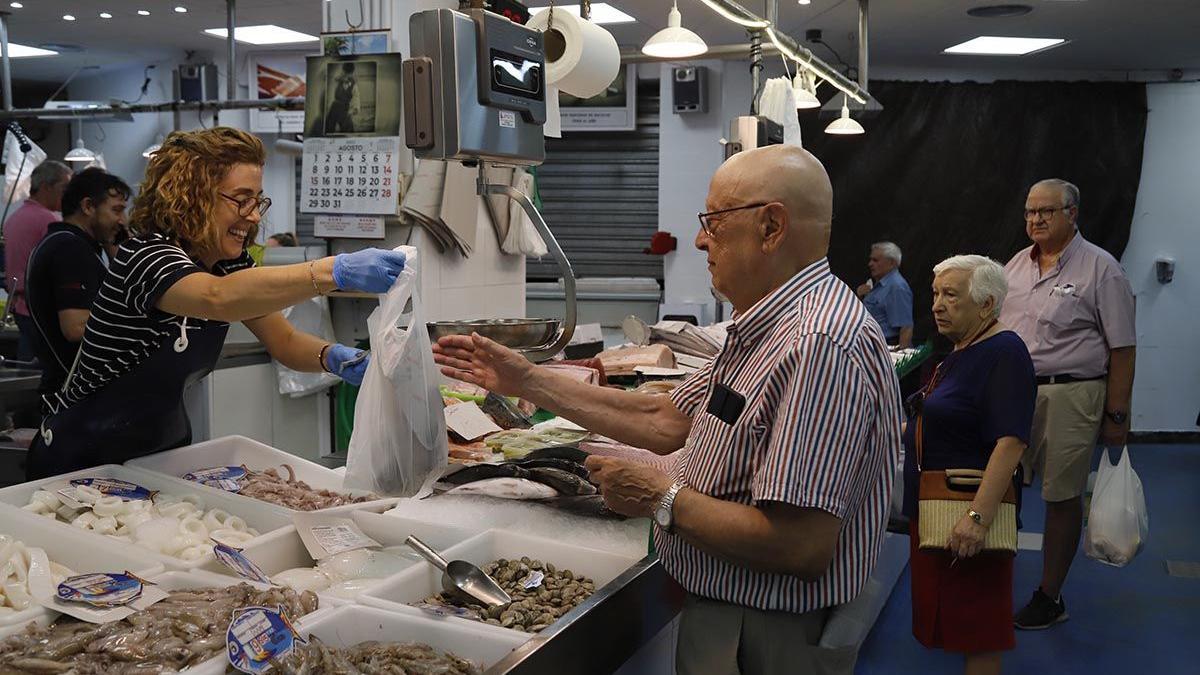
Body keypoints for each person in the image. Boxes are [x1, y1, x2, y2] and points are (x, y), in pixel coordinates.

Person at [434, 145, 901, 674]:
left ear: (771, 228)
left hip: (766, 632)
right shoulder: (763, 329)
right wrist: (527, 379)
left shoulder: (818, 344)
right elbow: (662, 422)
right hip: (734, 615)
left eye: (714, 222)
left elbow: (800, 543)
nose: (700, 239)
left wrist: (662, 498)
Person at [24, 127, 406, 479]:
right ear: (191, 195)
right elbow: (217, 298)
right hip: (79, 462)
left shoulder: (229, 263)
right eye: (241, 201)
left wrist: (338, 358)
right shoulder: (146, 256)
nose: (253, 215)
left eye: (257, 201)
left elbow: (285, 341)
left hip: (160, 455)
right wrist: (334, 271)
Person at [1000, 178, 1136, 630]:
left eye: (1046, 212)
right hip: (1018, 392)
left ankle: (1050, 596)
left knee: (1061, 497)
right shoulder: (1016, 265)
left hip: (1072, 394)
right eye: (1029, 212)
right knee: (1004, 488)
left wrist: (1117, 415)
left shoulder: (1102, 269)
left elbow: (1122, 348)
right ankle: (995, 577)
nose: (1034, 220)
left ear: (1072, 214)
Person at [902, 255, 1035, 675]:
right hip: (935, 507)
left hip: (964, 509)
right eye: (936, 294)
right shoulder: (961, 349)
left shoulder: (1004, 352)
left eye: (951, 296)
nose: (938, 305)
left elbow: (1011, 442)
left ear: (986, 304)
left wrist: (978, 517)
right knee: (959, 624)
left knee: (979, 633)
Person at [25, 168, 131, 403]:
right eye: (116, 210)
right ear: (88, 207)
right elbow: (76, 327)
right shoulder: (70, 249)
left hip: (71, 390)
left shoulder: (66, 243)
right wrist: (136, 324)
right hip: (74, 396)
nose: (122, 221)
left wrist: (117, 253)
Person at [3, 160, 71, 361]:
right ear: (45, 187)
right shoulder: (48, 221)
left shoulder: (15, 217)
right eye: (63, 188)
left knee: (26, 367)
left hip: (20, 306)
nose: (67, 195)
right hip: (39, 309)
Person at [856, 241, 914, 347]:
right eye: (870, 260)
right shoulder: (881, 285)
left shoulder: (897, 287)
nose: (870, 264)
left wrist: (900, 359)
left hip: (886, 347)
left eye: (875, 260)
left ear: (891, 263)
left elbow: (906, 327)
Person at [326, 62, 359, 134]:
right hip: (335, 105)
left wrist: (354, 109)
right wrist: (342, 78)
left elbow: (356, 97)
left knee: (348, 129)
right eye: (345, 73)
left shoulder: (353, 84)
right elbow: (335, 78)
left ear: (352, 73)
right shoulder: (339, 79)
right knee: (329, 126)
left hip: (345, 107)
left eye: (348, 74)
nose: (347, 75)